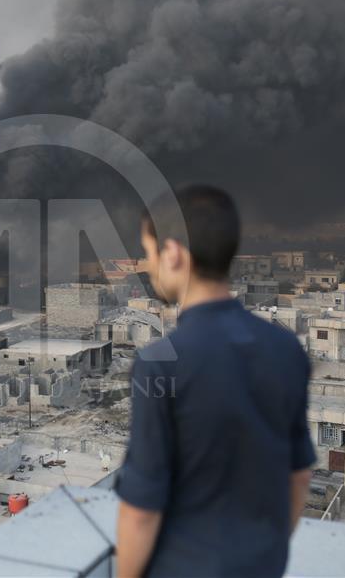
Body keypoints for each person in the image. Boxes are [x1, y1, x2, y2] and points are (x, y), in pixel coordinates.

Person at [116, 185, 315, 578]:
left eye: (148, 252)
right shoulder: (285, 347)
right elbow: (299, 475)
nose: (147, 264)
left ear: (173, 253)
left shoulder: (159, 366)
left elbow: (141, 511)